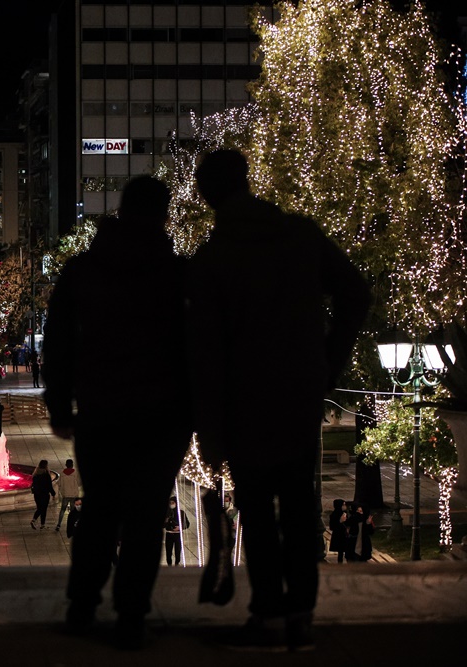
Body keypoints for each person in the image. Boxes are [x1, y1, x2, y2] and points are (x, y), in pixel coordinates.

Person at [186, 149, 370, 651]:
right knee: (296, 502)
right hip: (297, 393)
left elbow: (206, 353)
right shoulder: (300, 236)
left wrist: (209, 427)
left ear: (206, 195)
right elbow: (356, 293)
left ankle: (267, 610)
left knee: (259, 512)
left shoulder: (213, 259)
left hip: (245, 402)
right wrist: (328, 361)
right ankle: (301, 616)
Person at [42, 177, 193, 649]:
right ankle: (131, 614)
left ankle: (82, 607)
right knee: (146, 516)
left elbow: (59, 342)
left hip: (102, 410)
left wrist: (59, 403)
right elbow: (198, 348)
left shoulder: (85, 269)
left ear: (121, 212)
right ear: (164, 216)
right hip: (162, 415)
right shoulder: (177, 273)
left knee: (102, 511)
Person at [54, 459, 82, 531]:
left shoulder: (62, 474)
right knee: (73, 511)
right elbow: (79, 483)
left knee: (62, 510)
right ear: (72, 465)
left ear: (66, 465)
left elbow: (59, 484)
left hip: (65, 494)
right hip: (73, 494)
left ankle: (58, 525)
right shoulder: (75, 473)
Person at [29, 459, 56, 529]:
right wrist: (53, 494)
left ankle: (42, 524)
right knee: (43, 509)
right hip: (44, 495)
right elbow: (49, 486)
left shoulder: (35, 474)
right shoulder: (46, 474)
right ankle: (34, 520)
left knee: (40, 508)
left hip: (37, 495)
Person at [164, 497, 190, 566]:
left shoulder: (181, 513)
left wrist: (180, 527)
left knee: (177, 551)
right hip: (169, 534)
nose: (171, 505)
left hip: (178, 535)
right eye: (170, 503)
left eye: (173, 503)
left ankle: (176, 564)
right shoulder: (167, 513)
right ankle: (169, 565)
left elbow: (187, 524)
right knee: (168, 552)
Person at [328, 499, 348, 564]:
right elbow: (332, 526)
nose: (345, 506)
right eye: (343, 504)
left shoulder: (345, 513)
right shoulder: (334, 515)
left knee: (344, 550)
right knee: (341, 550)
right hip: (339, 535)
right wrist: (340, 522)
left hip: (344, 534)